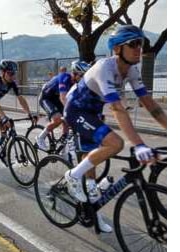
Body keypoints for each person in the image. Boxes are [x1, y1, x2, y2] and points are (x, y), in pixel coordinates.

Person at [63, 25, 167, 233]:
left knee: (92, 176)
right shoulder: (105, 68)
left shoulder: (132, 70)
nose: (139, 48)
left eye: (142, 43)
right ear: (118, 48)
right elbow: (118, 109)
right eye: (133, 44)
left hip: (93, 113)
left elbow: (151, 105)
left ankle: (92, 211)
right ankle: (72, 176)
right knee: (116, 143)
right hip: (76, 110)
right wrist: (138, 144)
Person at [0, 59, 36, 152]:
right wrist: (3, 117)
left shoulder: (12, 83)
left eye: (14, 73)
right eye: (10, 73)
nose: (13, 76)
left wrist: (29, 114)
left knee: (6, 126)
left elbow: (21, 99)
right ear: (2, 72)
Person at [35, 60, 90, 150]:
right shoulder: (64, 77)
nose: (84, 78)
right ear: (75, 73)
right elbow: (63, 98)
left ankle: (62, 149)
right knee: (57, 119)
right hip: (46, 98)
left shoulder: (78, 83)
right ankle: (40, 137)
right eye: (82, 75)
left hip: (56, 99)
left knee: (67, 122)